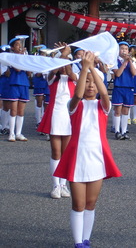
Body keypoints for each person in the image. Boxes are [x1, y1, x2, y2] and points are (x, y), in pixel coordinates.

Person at [54, 51, 122, 248]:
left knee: (91, 204)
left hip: (97, 158)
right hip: (77, 158)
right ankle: (77, 243)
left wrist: (92, 67)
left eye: (94, 82)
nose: (91, 86)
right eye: (87, 82)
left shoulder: (103, 106)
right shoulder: (74, 105)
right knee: (78, 204)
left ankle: (85, 240)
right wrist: (85, 68)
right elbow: (77, 93)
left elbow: (105, 93)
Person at [37, 42, 77, 199]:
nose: (62, 66)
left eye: (65, 63)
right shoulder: (51, 77)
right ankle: (55, 185)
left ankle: (63, 185)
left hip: (68, 116)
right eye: (60, 62)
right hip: (55, 114)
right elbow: (54, 70)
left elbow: (72, 74)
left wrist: (65, 57)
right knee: (56, 152)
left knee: (66, 152)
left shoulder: (73, 78)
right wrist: (63, 54)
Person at [4, 36, 30, 142]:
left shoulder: (24, 56)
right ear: (12, 48)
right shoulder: (11, 57)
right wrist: (21, 56)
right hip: (14, 83)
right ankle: (11, 133)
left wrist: (26, 59)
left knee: (21, 111)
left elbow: (29, 72)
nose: (20, 47)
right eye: (17, 45)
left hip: (24, 84)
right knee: (13, 109)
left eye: (20, 44)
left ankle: (19, 133)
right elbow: (18, 69)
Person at [111, 41, 136, 140]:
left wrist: (130, 61)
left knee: (126, 110)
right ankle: (117, 131)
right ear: (118, 50)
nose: (124, 51)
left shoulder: (132, 61)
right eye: (122, 49)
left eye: (126, 49)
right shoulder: (114, 60)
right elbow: (117, 74)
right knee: (118, 110)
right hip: (119, 87)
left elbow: (134, 73)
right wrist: (125, 62)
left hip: (129, 87)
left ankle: (124, 131)